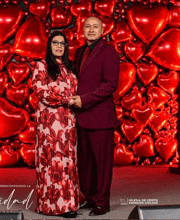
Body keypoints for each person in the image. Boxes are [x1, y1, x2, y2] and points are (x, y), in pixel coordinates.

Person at [69, 16, 120, 216]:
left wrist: (84, 99)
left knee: (102, 163)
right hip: (81, 117)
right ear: (82, 30)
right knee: (85, 162)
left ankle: (102, 201)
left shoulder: (109, 52)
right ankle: (90, 197)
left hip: (100, 116)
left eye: (95, 26)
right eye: (87, 26)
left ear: (102, 30)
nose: (91, 29)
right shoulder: (79, 51)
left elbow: (110, 85)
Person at [32, 31, 79, 218]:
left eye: (62, 43)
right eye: (55, 42)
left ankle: (69, 203)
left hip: (68, 122)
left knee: (68, 163)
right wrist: (68, 99)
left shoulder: (70, 68)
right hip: (49, 124)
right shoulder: (41, 66)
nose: (59, 46)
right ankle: (54, 206)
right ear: (49, 46)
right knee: (52, 164)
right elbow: (41, 92)